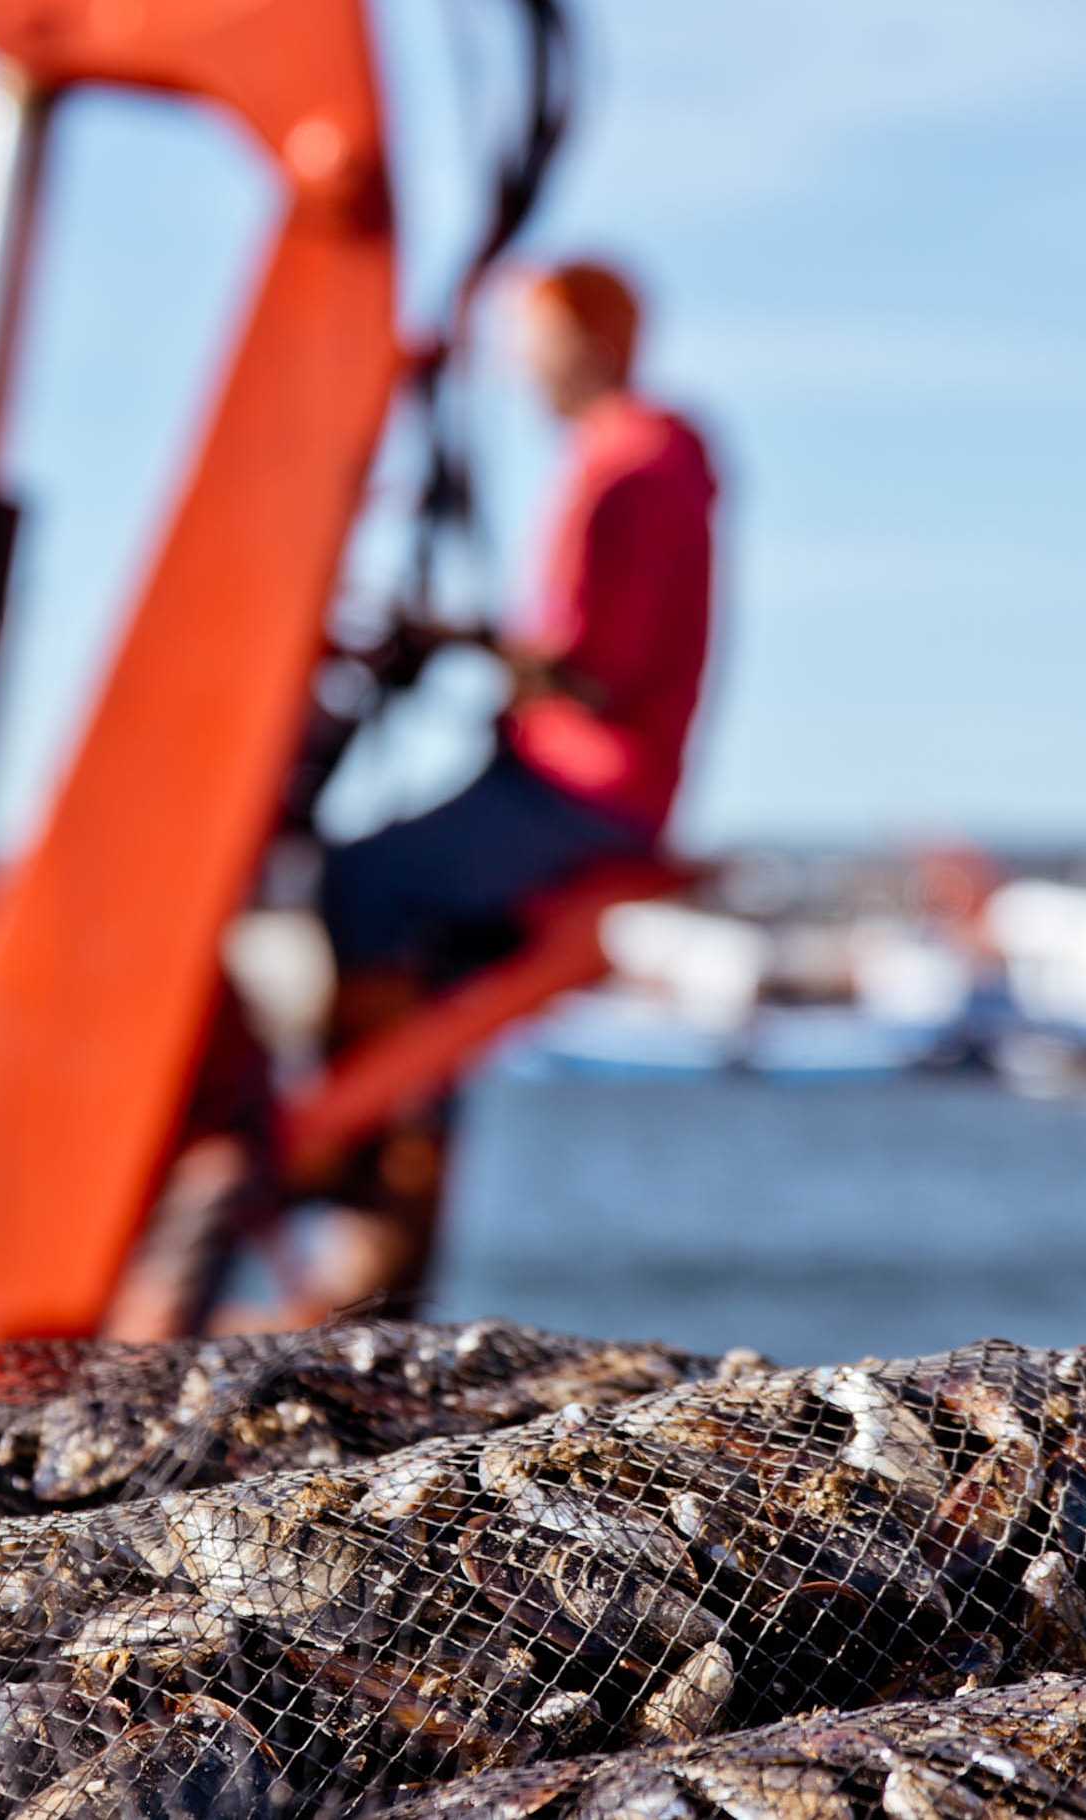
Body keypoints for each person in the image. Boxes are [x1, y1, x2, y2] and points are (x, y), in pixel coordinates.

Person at [299, 256, 721, 1313]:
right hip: (579, 780)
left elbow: (589, 666)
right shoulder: (646, 456)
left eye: (533, 350)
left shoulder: (627, 461)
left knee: (364, 882)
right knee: (419, 932)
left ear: (582, 342)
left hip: (581, 792)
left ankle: (344, 1155)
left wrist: (451, 639)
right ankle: (381, 1196)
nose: (523, 375)